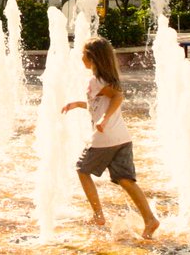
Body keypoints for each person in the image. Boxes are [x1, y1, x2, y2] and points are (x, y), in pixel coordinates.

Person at [61, 36, 160, 240]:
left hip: (104, 139)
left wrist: (104, 120)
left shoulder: (96, 81)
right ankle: (150, 219)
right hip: (122, 138)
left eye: (82, 54)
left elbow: (117, 96)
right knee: (125, 180)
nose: (80, 58)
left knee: (82, 170)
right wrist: (77, 104)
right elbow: (98, 103)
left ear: (91, 58)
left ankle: (98, 215)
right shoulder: (104, 80)